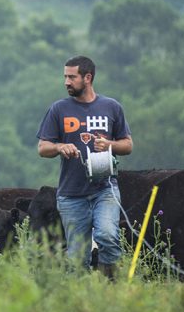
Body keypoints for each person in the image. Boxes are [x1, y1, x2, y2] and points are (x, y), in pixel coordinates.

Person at [35, 55, 133, 278]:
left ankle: (111, 286)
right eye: (65, 77)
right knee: (77, 258)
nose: (66, 82)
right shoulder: (58, 109)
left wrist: (110, 145)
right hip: (71, 196)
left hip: (105, 190)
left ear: (87, 78)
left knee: (108, 236)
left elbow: (127, 145)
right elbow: (43, 148)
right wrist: (60, 147)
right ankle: (81, 301)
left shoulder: (111, 107)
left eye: (72, 77)